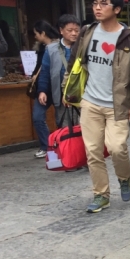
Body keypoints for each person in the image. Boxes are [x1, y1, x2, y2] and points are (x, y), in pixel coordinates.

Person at [74, 0, 130, 213]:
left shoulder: (129, 38)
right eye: (94, 3)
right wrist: (69, 89)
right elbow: (76, 63)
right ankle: (101, 194)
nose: (97, 8)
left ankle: (124, 178)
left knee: (117, 147)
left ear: (117, 9)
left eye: (103, 4)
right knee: (92, 150)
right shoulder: (88, 32)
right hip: (90, 101)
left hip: (117, 104)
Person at [35, 15, 81, 156]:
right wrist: (42, 91)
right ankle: (70, 156)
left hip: (81, 96)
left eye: (76, 30)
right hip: (59, 95)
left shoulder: (83, 47)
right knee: (65, 126)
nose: (74, 33)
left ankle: (84, 156)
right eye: (70, 30)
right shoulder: (51, 49)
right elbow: (45, 72)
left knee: (82, 126)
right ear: (61, 31)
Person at [30, 20, 61, 158]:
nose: (35, 36)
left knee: (61, 119)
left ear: (43, 33)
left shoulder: (60, 47)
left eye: (36, 33)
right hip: (44, 88)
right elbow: (41, 69)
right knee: (37, 117)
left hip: (59, 87)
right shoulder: (41, 48)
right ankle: (47, 145)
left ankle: (63, 146)